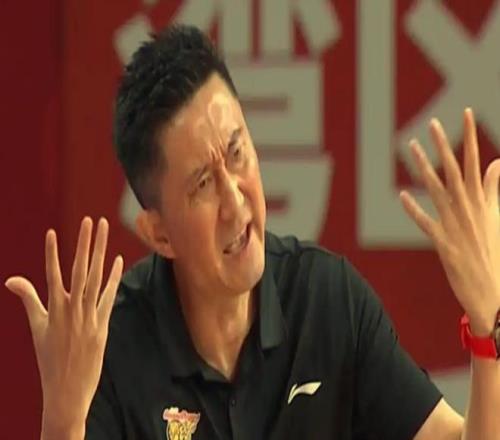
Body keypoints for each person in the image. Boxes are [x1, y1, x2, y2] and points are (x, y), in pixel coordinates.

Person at [5, 24, 500, 440]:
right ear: (159, 234)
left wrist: (487, 324)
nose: (236, 201)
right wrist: (62, 422)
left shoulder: (328, 302)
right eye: (203, 184)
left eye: (237, 153)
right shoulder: (113, 351)